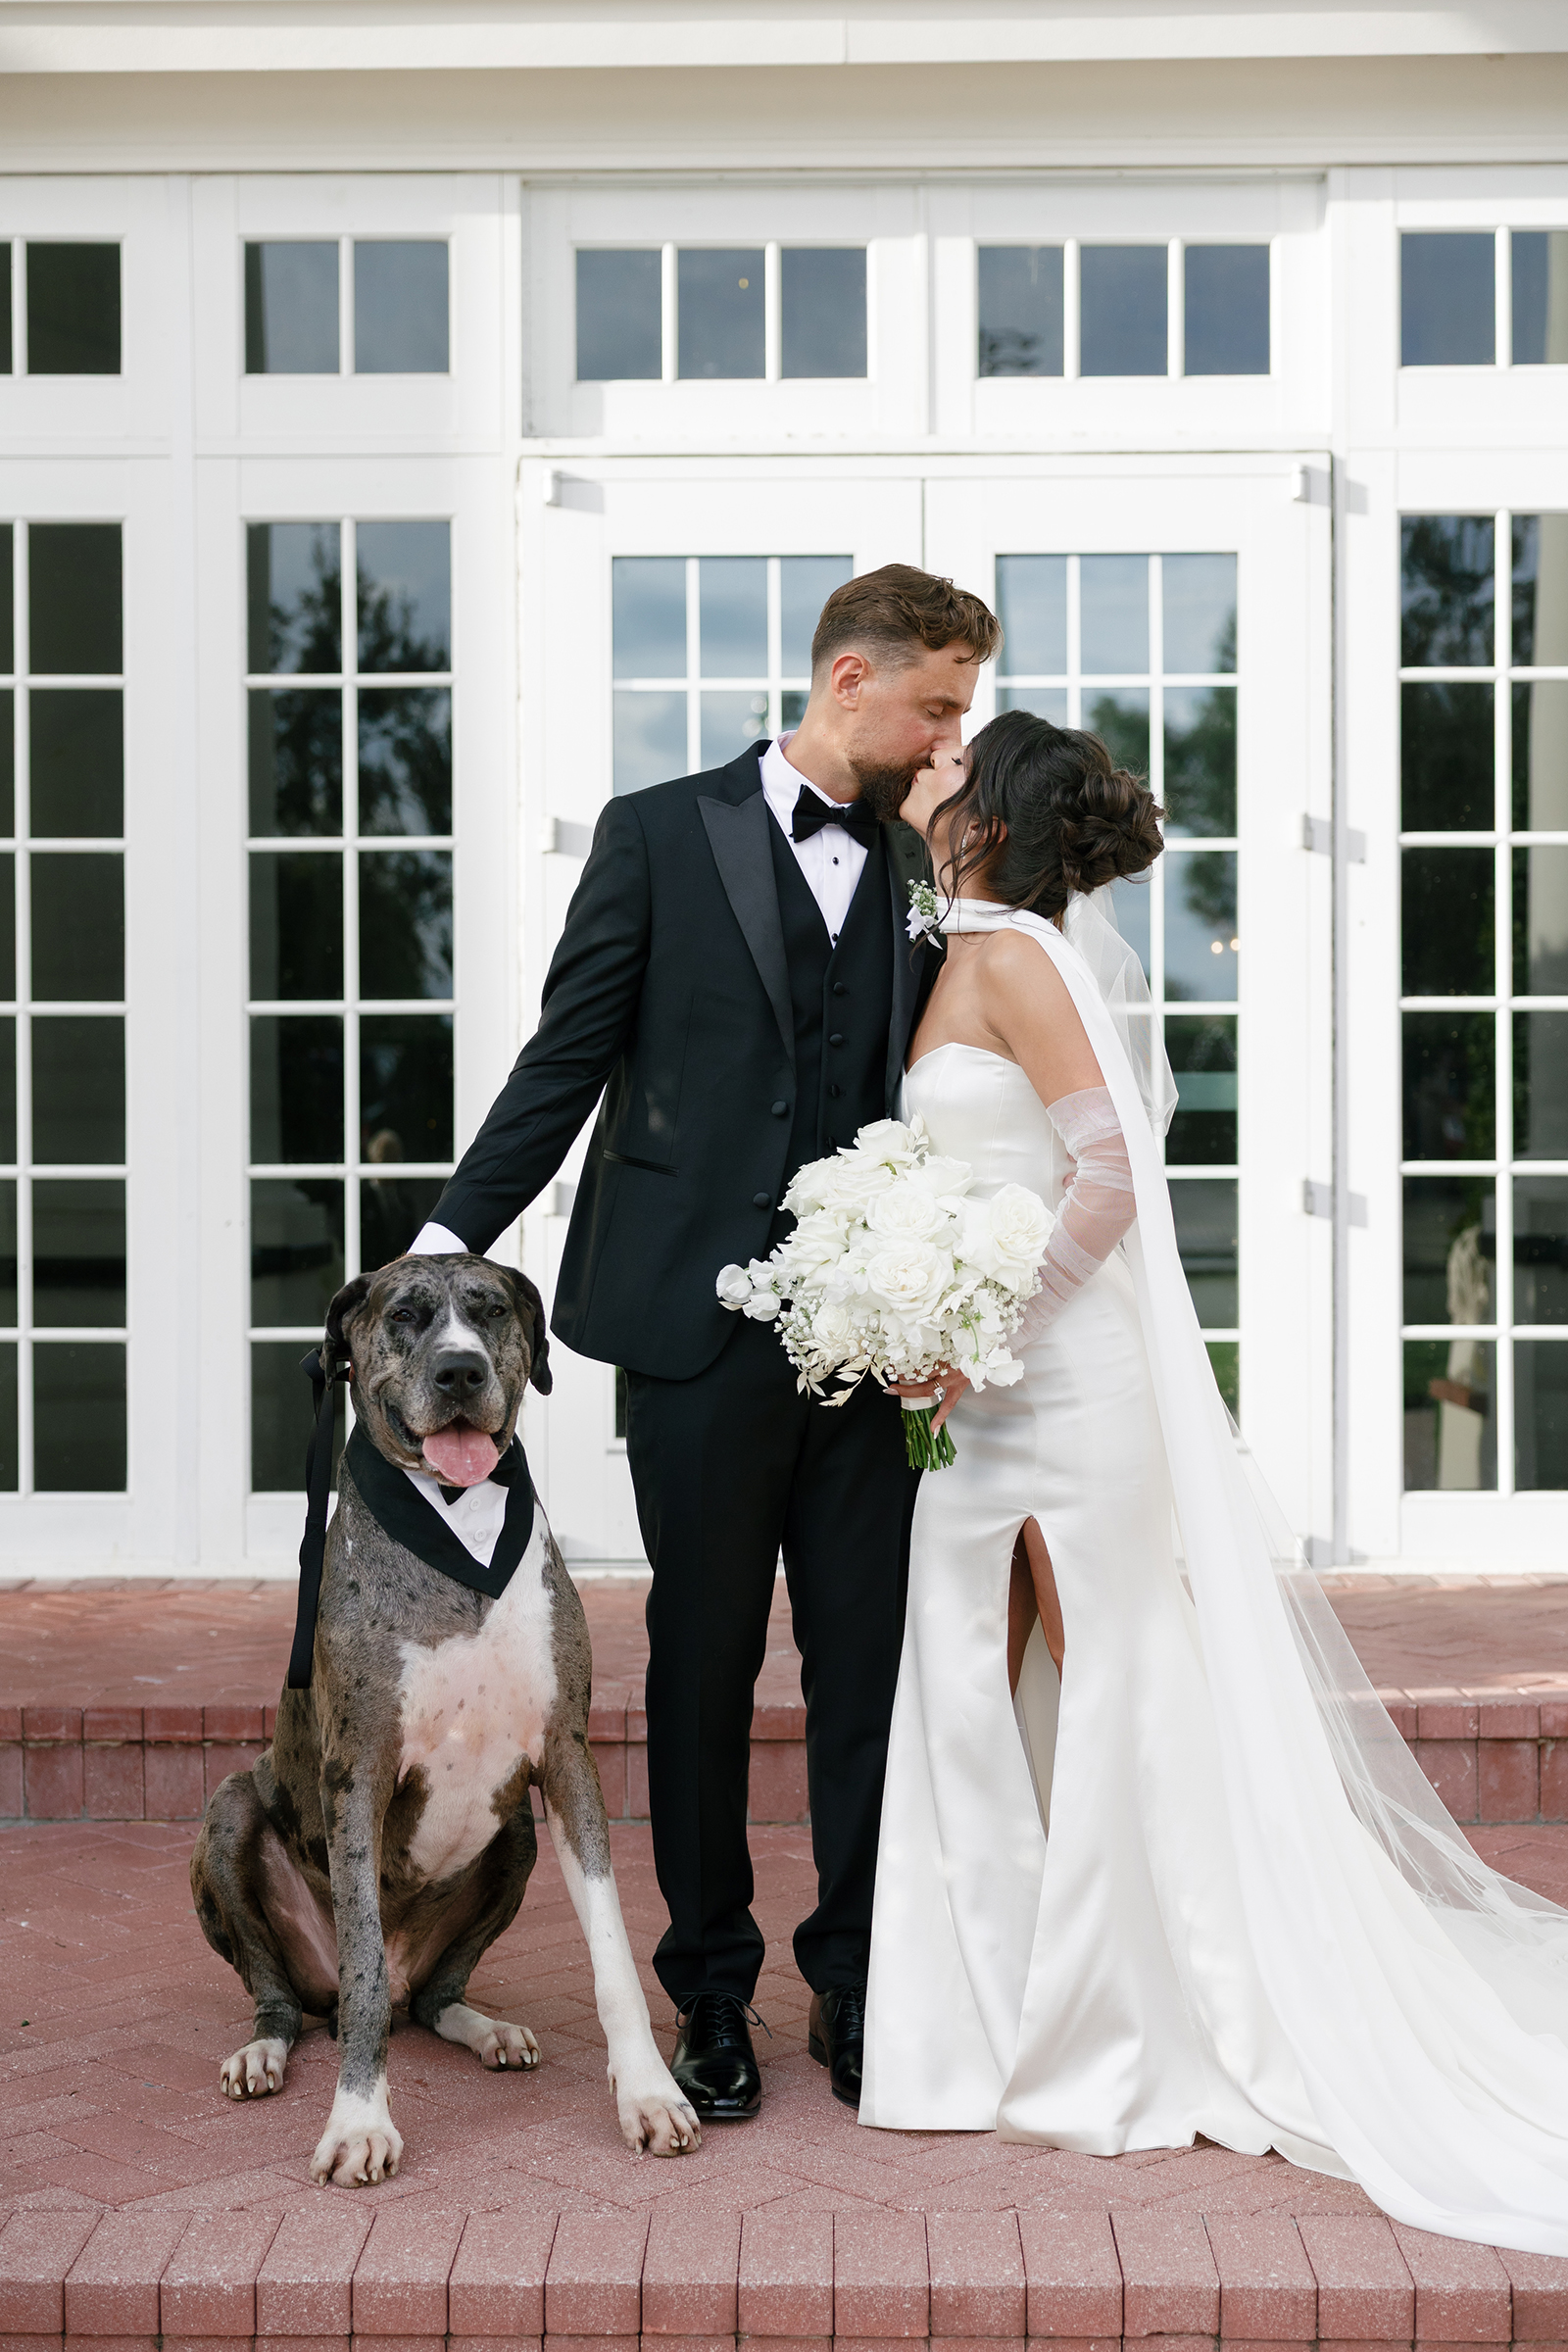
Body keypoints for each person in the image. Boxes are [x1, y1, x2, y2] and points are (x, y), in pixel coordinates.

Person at [862, 708, 1568, 2255]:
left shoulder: (1022, 962)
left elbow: (1110, 1171)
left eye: (955, 769)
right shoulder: (969, 944)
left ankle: (1122, 2018)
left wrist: (979, 1330)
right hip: (983, 1392)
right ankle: (988, 2013)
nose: (932, 775)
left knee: (1102, 1676)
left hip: (1059, 1384)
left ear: (995, 820)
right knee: (986, 1680)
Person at [409, 564, 1001, 2125]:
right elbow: (569, 1056)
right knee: (707, 1663)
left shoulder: (922, 863)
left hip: (871, 1341)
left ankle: (857, 1981)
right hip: (692, 1330)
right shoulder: (658, 833)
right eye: (940, 701)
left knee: (866, 1665)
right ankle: (715, 1995)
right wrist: (449, 1241)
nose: (957, 734)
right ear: (852, 680)